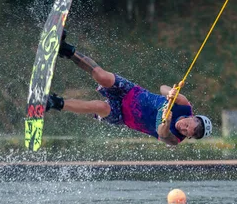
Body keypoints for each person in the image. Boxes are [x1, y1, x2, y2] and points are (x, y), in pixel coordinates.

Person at [46, 32, 213, 146]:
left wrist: (167, 122)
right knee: (102, 76)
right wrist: (170, 92)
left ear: (188, 136)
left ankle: (54, 102)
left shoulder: (175, 139)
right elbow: (162, 88)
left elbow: (162, 134)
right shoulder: (184, 105)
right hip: (132, 92)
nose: (182, 127)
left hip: (123, 116)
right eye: (187, 124)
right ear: (193, 117)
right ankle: (65, 50)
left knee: (101, 107)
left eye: (186, 132)